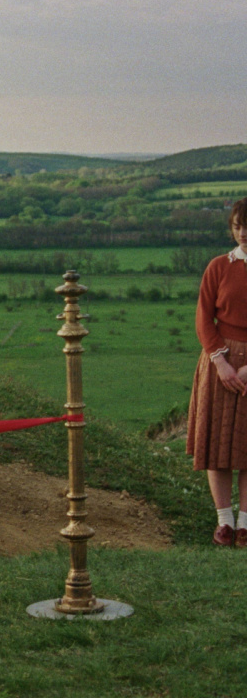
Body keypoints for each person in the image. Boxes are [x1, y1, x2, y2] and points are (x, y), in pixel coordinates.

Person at [188, 197, 247, 547]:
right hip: (218, 364)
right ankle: (224, 521)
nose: (243, 233)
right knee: (217, 447)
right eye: (237, 226)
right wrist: (221, 361)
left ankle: (246, 523)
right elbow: (202, 316)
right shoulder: (218, 266)